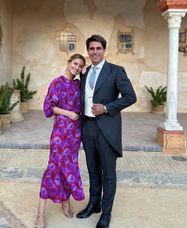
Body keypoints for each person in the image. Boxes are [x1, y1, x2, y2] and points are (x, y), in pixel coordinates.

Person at [76, 34, 137, 228]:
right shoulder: (84, 72)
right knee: (93, 170)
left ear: (104, 50)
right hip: (88, 127)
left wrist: (107, 107)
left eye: (98, 48)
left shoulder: (116, 71)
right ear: (88, 51)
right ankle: (94, 204)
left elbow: (130, 97)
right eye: (91, 49)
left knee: (108, 174)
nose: (95, 52)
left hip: (107, 128)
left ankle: (106, 213)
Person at [35, 54, 86, 228]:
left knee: (69, 169)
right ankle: (40, 214)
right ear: (68, 63)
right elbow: (48, 108)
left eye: (80, 66)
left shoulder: (79, 85)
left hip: (75, 135)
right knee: (52, 169)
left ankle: (66, 202)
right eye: (75, 63)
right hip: (60, 133)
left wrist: (86, 72)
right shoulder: (57, 83)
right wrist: (68, 113)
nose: (77, 68)